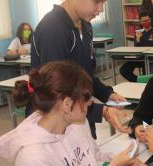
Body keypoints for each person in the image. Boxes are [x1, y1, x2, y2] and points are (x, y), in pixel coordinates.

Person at [0, 61, 149, 166]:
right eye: (86, 98)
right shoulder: (32, 159)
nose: (90, 103)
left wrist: (126, 161)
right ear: (67, 104)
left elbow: (93, 158)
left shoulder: (77, 125)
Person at [31, 0, 130, 139]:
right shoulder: (52, 29)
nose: (101, 9)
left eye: (104, 2)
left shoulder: (85, 26)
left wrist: (107, 94)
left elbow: (86, 75)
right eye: (97, 2)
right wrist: (102, 111)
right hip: (57, 128)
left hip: (81, 116)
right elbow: (57, 93)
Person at [120, 10, 153, 82]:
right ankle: (137, 80)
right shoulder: (139, 32)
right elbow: (137, 47)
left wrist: (141, 40)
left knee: (151, 78)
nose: (145, 22)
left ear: (150, 20)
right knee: (123, 69)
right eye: (143, 21)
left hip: (151, 59)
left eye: (147, 20)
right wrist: (138, 39)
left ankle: (145, 81)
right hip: (140, 58)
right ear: (140, 22)